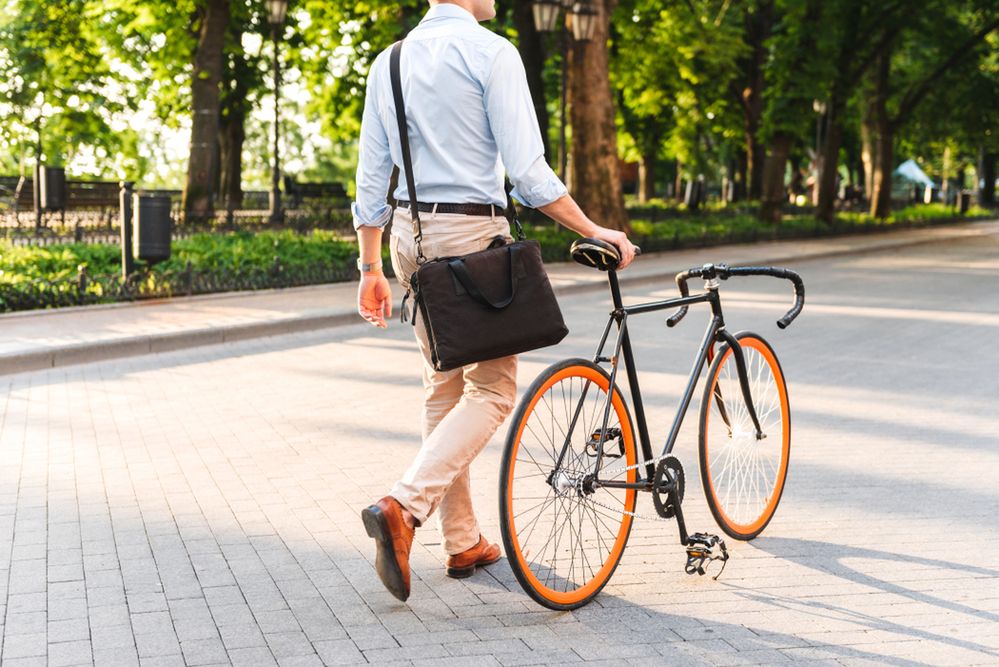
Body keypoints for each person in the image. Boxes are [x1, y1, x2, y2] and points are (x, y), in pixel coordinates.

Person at [352, 0, 637, 602]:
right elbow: (529, 173)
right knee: (494, 391)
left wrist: (370, 267)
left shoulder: (391, 61)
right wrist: (592, 230)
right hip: (473, 238)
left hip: (411, 240)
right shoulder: (492, 52)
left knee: (444, 385)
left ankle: (463, 542)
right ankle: (404, 506)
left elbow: (372, 176)